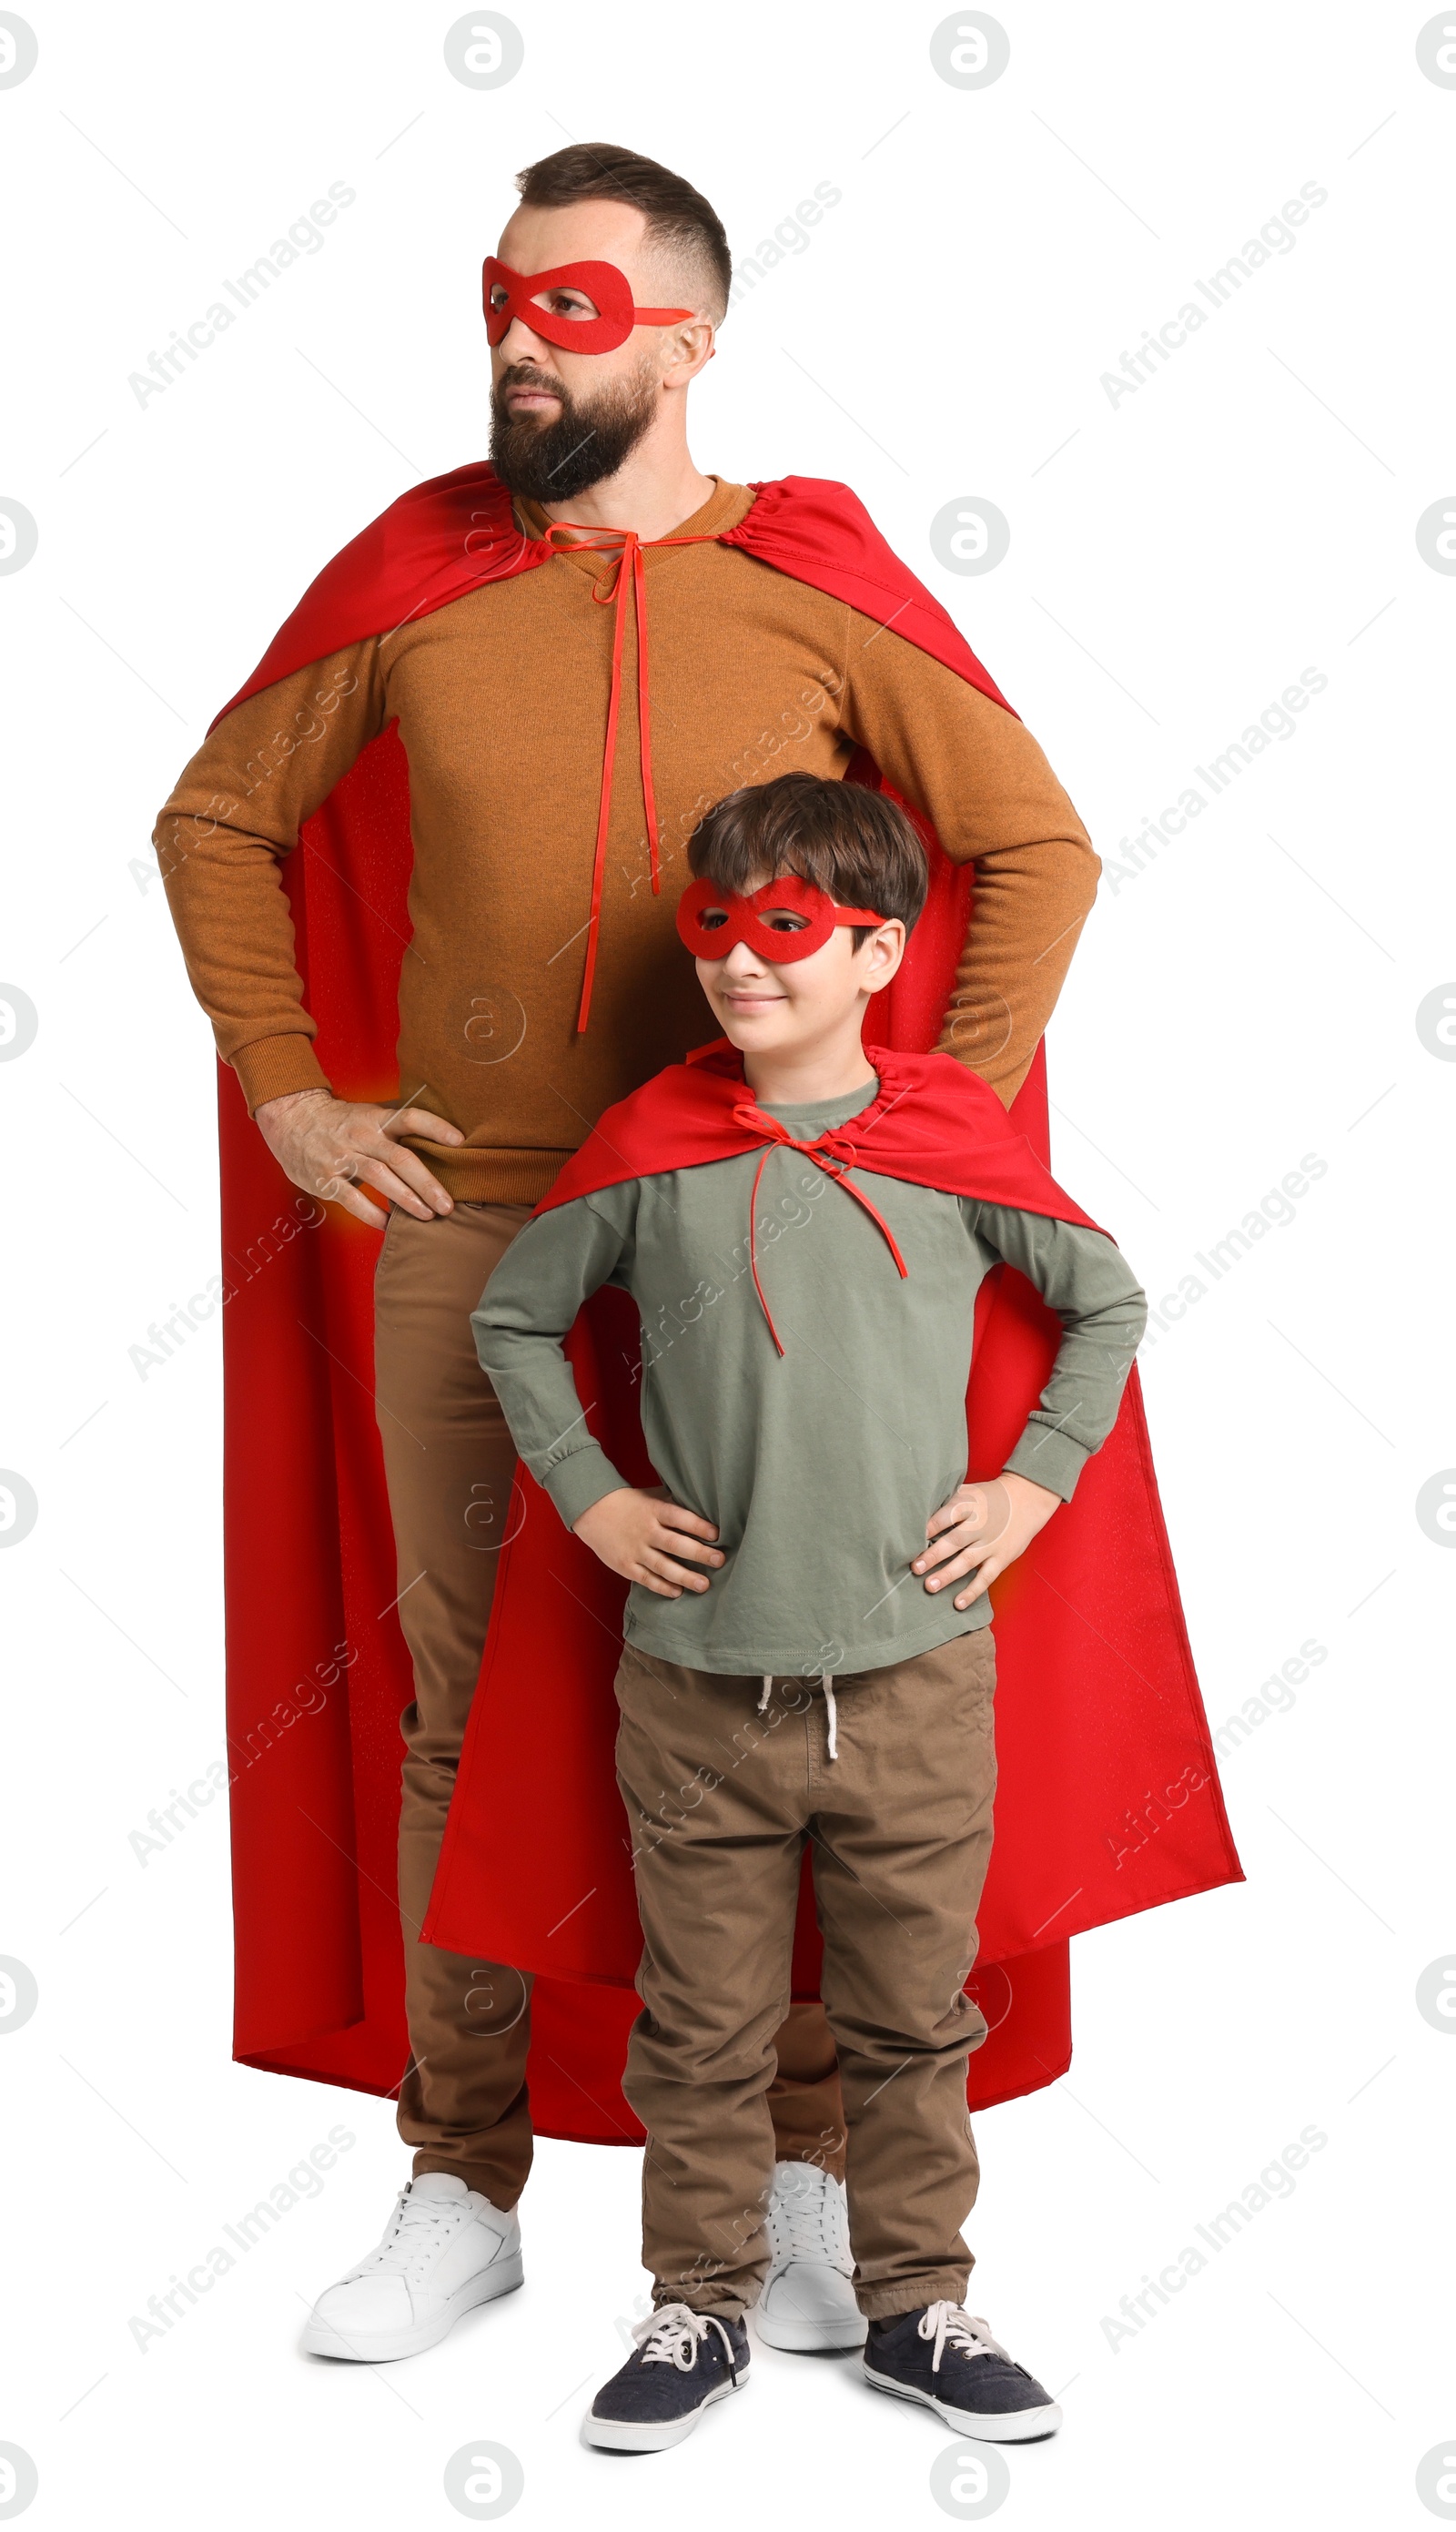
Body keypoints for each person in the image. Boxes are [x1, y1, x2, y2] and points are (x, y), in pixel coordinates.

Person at [151, 142, 1103, 2363]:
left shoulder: (808, 580)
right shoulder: (413, 580)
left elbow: (1027, 840)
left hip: (756, 1232)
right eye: (499, 296)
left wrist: (920, 1133)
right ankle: (457, 2178)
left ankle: (786, 2182)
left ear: (685, 336)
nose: (514, 336)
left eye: (569, 305)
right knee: (459, 1707)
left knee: (799, 1687)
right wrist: (291, 1078)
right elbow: (217, 814)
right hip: (466, 1209)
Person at [470, 773, 1148, 2449]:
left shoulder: (944, 1142)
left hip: (918, 1678)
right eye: (716, 922)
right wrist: (595, 1496)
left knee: (916, 2015)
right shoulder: (650, 1151)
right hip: (702, 1684)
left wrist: (1035, 1481)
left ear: (878, 949)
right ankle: (697, 2310)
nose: (737, 959)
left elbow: (1102, 1294)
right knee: (699, 2023)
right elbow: (510, 1319)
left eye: (784, 926)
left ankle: (919, 2305)